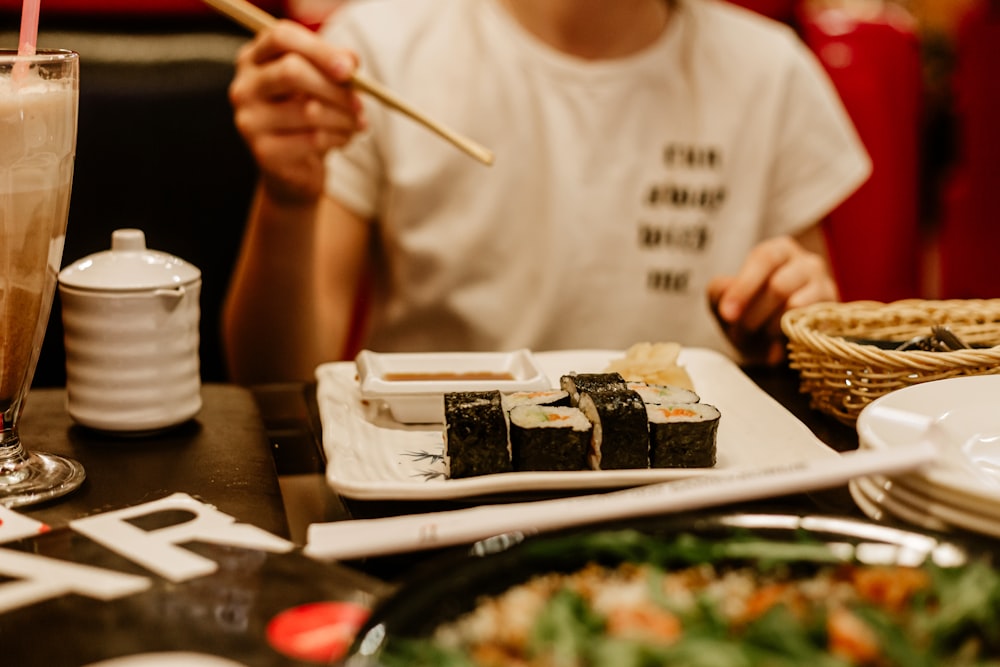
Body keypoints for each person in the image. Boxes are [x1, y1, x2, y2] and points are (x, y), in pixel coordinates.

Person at [221, 0, 871, 384]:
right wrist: (288, 197)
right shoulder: (376, 51)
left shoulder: (770, 71)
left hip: (690, 497)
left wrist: (788, 329)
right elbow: (274, 378)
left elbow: (804, 334)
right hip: (432, 497)